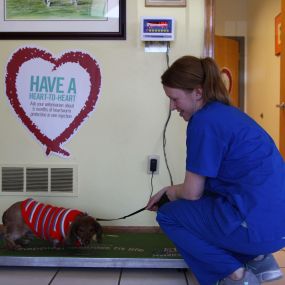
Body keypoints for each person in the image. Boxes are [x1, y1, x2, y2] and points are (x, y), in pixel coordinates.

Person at [146, 55, 285, 285]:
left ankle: (236, 275)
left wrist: (168, 193)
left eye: (174, 99)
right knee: (206, 202)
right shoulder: (228, 114)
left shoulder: (204, 122)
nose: (172, 107)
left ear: (197, 93)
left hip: (256, 226)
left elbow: (191, 193)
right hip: (278, 223)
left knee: (169, 215)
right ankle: (261, 261)